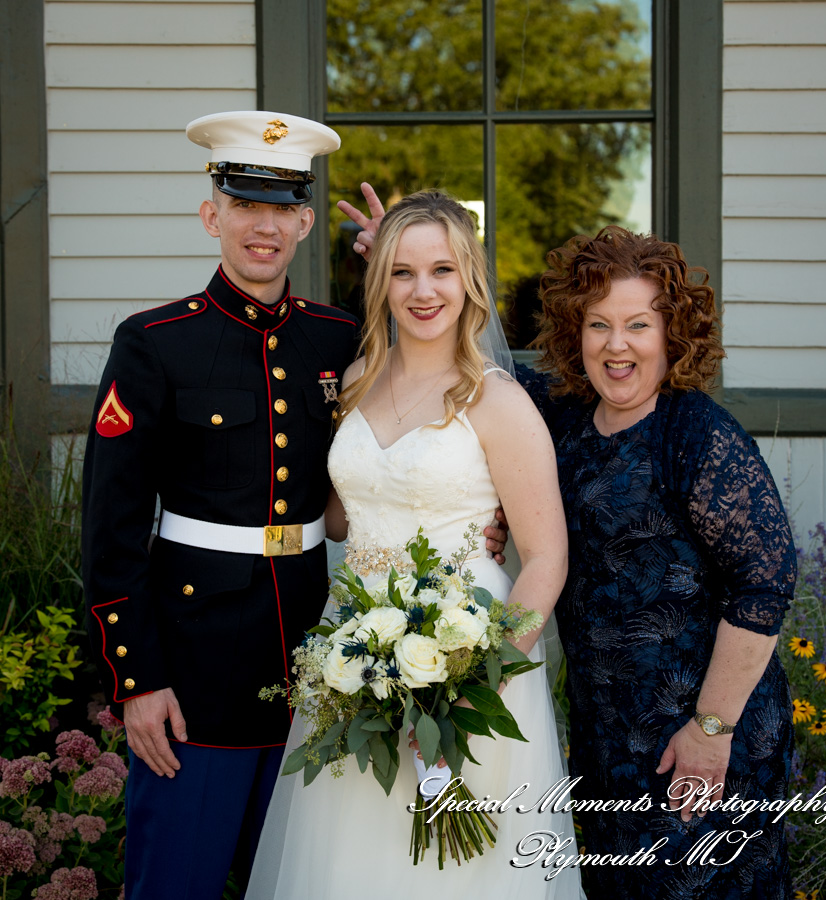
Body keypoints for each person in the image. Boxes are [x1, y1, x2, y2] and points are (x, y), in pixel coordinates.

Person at [247, 191, 585, 899]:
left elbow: (547, 557)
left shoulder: (497, 401)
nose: (423, 291)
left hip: (468, 655)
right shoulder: (357, 381)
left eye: (441, 270)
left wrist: (480, 681)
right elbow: (342, 518)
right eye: (401, 272)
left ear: (470, 280)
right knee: (349, 860)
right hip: (355, 651)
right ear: (380, 282)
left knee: (456, 876)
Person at [81, 110, 361, 900]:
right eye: (244, 205)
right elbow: (109, 528)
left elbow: (439, 386)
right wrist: (136, 680)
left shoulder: (338, 337)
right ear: (212, 216)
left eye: (282, 208)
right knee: (178, 883)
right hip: (193, 672)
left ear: (306, 222)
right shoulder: (154, 341)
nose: (263, 227)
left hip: (319, 665)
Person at [519, 225, 797, 898]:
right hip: (608, 743)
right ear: (575, 333)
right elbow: (473, 364)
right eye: (598, 324)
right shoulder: (565, 418)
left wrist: (711, 729)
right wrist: (405, 263)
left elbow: (764, 585)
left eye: (638, 325)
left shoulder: (695, 433)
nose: (616, 345)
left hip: (701, 743)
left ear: (673, 334)